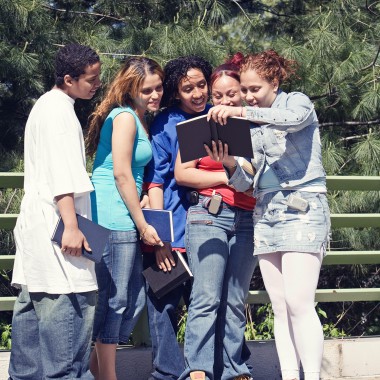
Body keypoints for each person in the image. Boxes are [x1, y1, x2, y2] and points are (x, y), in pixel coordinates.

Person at [207, 49, 331, 380]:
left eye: (254, 89)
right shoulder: (249, 125)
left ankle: (313, 376)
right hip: (266, 211)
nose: (248, 96)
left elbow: (295, 121)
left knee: (299, 302)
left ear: (274, 82)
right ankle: (290, 375)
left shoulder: (296, 101)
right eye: (243, 90)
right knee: (279, 307)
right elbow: (250, 181)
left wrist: (244, 111)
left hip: (302, 207)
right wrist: (229, 162)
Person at [8, 44, 101, 380]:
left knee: (30, 330)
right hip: (59, 230)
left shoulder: (45, 107)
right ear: (68, 78)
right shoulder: (60, 112)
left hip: (40, 232)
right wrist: (72, 226)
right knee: (67, 324)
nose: (96, 85)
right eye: (91, 79)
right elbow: (63, 176)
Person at [175, 62, 257, 380]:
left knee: (235, 299)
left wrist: (230, 170)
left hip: (248, 218)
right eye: (218, 94)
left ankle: (234, 369)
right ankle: (198, 370)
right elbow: (183, 174)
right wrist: (228, 173)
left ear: (244, 93)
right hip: (208, 215)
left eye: (232, 94)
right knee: (206, 296)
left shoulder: (259, 125)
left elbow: (256, 182)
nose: (224, 101)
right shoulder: (202, 125)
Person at [86, 56, 164, 380]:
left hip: (125, 213)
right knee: (116, 299)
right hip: (111, 216)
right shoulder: (126, 119)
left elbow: (131, 173)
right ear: (131, 88)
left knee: (132, 299)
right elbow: (120, 173)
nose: (155, 94)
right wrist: (143, 223)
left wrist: (143, 201)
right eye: (147, 90)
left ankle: (92, 368)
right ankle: (108, 376)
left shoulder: (139, 117)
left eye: (158, 87)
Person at [143, 55, 213, 380]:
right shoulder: (164, 125)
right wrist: (161, 238)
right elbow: (154, 182)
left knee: (206, 307)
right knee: (164, 310)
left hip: (208, 230)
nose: (198, 93)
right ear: (176, 92)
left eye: (202, 85)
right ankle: (168, 376)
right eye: (188, 88)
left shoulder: (217, 116)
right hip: (170, 233)